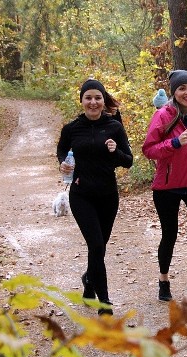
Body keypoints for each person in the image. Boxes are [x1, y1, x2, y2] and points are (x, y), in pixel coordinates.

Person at [57, 79, 133, 316]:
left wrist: (114, 150)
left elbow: (127, 161)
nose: (93, 102)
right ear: (81, 100)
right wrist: (63, 165)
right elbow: (61, 151)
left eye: (97, 98)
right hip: (81, 195)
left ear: (103, 101)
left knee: (98, 249)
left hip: (108, 196)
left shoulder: (114, 127)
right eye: (88, 97)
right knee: (96, 245)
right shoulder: (71, 129)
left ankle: (89, 281)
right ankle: (105, 302)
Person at [143, 70, 187, 302]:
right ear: (174, 92)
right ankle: (164, 280)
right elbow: (149, 149)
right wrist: (174, 143)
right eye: (182, 88)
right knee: (170, 234)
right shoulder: (163, 115)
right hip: (167, 186)